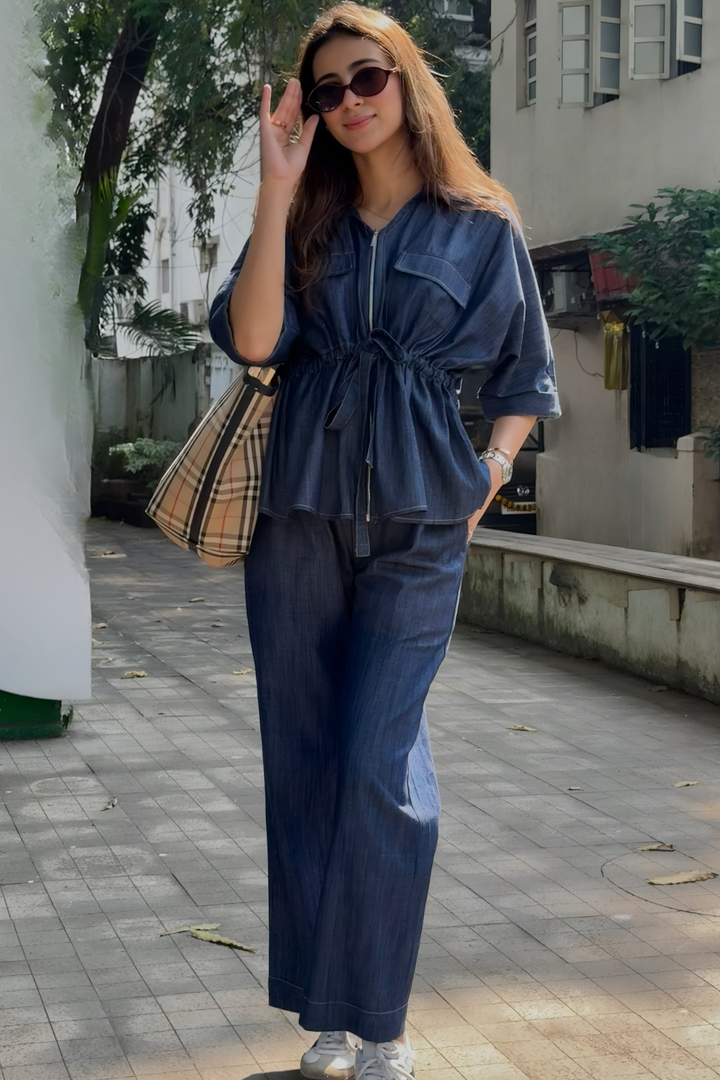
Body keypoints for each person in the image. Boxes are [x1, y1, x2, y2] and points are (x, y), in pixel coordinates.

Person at [209, 5, 560, 1078]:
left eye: (366, 79)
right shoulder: (303, 220)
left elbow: (525, 381)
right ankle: (329, 1010)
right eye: (326, 91)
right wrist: (274, 188)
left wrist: (492, 473)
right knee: (306, 762)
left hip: (419, 526)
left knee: (378, 763)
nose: (349, 103)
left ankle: (384, 1019)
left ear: (405, 81)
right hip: (300, 520)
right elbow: (259, 339)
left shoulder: (481, 226)